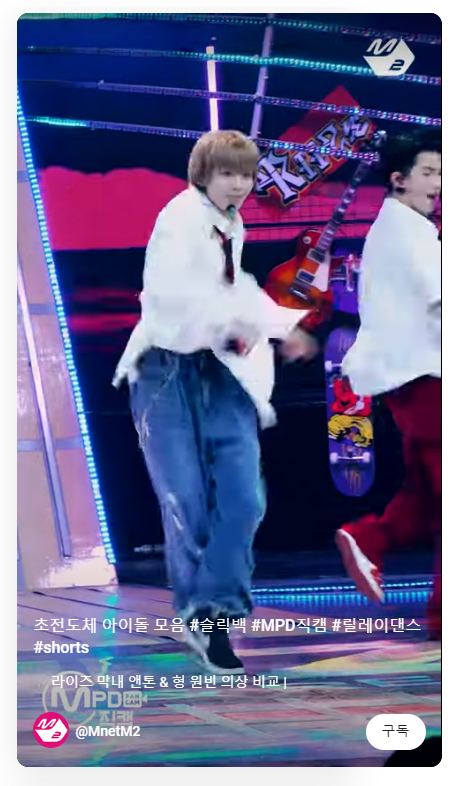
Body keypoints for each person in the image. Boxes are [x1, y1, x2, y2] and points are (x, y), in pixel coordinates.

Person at [113, 130, 316, 673]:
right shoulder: (179, 219)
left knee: (245, 498)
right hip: (165, 368)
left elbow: (235, 286)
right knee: (186, 501)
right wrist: (229, 326)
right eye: (228, 173)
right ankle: (206, 621)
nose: (240, 185)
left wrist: (280, 326)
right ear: (203, 174)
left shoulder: (230, 223)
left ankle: (215, 609)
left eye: (246, 175)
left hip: (220, 369)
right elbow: (170, 297)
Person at [335, 130, 441, 639]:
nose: (439, 184)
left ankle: (370, 538)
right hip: (424, 378)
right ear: (399, 179)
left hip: (415, 377)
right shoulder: (406, 233)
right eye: (429, 173)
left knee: (427, 495)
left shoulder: (404, 228)